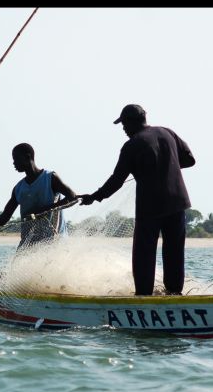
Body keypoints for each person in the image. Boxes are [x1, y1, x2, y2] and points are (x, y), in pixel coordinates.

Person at [79, 104, 195, 295]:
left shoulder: (132, 145)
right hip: (177, 203)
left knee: (144, 254)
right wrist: (167, 166)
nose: (123, 129)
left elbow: (117, 180)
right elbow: (190, 159)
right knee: (174, 251)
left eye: (124, 124)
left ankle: (143, 295)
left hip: (150, 207)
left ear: (132, 122)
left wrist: (94, 197)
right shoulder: (167, 132)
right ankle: (174, 294)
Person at [0, 143, 77, 250]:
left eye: (16, 159)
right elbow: (4, 217)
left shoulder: (50, 178)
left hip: (55, 242)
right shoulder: (19, 188)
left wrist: (45, 210)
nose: (14, 163)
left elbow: (72, 197)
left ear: (27, 156)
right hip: (29, 244)